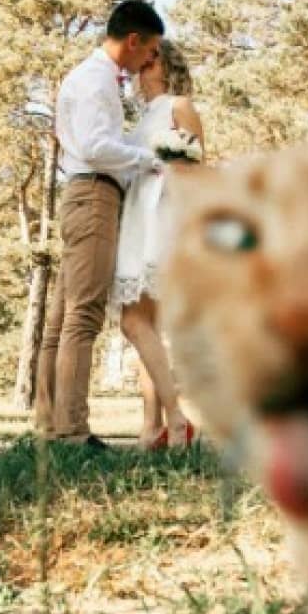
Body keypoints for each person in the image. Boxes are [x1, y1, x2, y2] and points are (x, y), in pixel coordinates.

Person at [34, 0, 164, 449]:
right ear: (134, 40)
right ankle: (71, 431)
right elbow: (93, 146)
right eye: (151, 51)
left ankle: (48, 424)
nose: (151, 61)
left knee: (62, 317)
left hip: (83, 193)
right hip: (93, 194)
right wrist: (149, 158)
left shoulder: (96, 78)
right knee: (83, 315)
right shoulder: (95, 80)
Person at [110, 39, 205, 449]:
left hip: (162, 218)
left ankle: (177, 418)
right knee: (144, 326)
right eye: (143, 60)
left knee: (134, 323)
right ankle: (151, 429)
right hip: (136, 216)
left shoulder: (178, 105)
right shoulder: (140, 119)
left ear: (167, 67)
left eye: (153, 60)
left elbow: (196, 169)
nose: (143, 67)